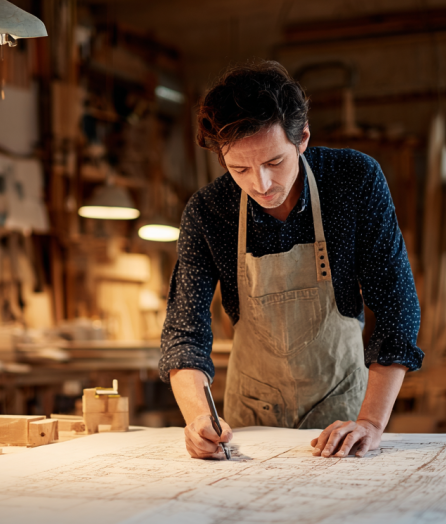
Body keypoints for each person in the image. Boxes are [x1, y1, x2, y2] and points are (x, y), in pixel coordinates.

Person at [159, 61, 423, 460]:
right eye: (239, 168)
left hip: (342, 414)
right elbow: (184, 335)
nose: (260, 185)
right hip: (251, 419)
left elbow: (397, 310)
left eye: (274, 162)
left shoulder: (353, 180)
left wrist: (370, 422)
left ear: (302, 138)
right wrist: (198, 418)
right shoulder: (209, 211)